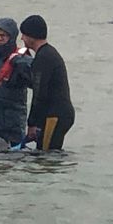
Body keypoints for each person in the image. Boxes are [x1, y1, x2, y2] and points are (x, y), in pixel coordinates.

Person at [20, 15, 75, 151]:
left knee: (46, 155)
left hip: (55, 116)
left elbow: (39, 94)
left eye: (24, 34)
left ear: (32, 36)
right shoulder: (48, 53)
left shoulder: (43, 58)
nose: (21, 38)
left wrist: (32, 124)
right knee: (46, 153)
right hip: (59, 115)